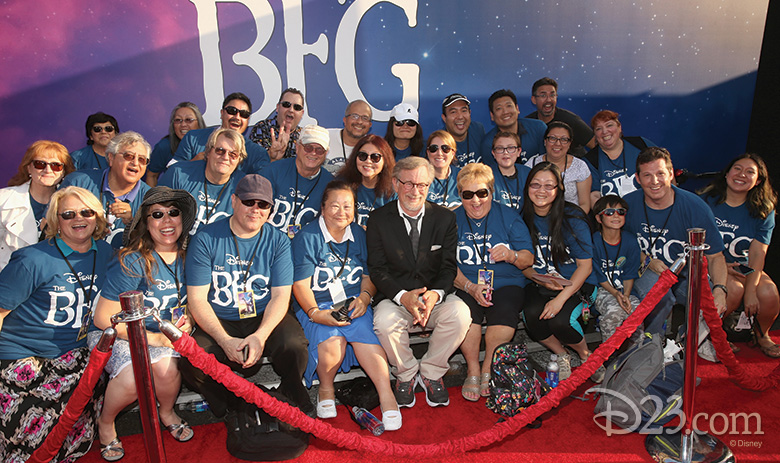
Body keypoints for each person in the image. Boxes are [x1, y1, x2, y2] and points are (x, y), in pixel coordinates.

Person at [181, 174, 312, 417]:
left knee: (294, 345)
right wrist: (223, 340)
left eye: (263, 204)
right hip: (219, 318)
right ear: (233, 201)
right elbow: (197, 299)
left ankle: (292, 387)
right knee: (193, 357)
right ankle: (230, 402)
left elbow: (281, 295)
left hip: (263, 313)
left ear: (271, 209)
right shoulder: (205, 239)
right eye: (248, 201)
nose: (255, 209)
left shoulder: (279, 240)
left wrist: (260, 337)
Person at [0, 186, 112, 462]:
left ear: (98, 217)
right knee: (32, 421)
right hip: (22, 354)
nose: (79, 219)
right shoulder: (32, 260)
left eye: (86, 212)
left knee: (82, 391)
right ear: (54, 221)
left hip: (76, 354)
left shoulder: (108, 254)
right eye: (68, 214)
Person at [91, 187, 197, 461]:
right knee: (134, 376)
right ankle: (106, 422)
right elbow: (104, 318)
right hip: (119, 334)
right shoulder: (132, 259)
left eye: (173, 213)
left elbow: (197, 300)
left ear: (182, 218)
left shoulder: (193, 256)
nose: (167, 221)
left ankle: (166, 411)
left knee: (166, 371)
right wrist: (155, 340)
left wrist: (190, 321)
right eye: (157, 215)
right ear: (146, 223)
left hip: (164, 334)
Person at [291, 181, 401, 429]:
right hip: (316, 304)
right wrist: (316, 313)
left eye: (347, 206)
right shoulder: (307, 237)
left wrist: (364, 297)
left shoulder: (360, 234)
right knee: (332, 340)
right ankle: (326, 389)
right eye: (335, 206)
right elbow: (300, 285)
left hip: (353, 301)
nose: (342, 212)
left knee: (366, 335)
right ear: (322, 208)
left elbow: (367, 276)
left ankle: (386, 394)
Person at [367, 156, 471, 408]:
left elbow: (448, 267)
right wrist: (403, 296)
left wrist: (435, 295)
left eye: (422, 185)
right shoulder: (378, 219)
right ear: (395, 183)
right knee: (383, 322)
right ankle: (406, 374)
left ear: (429, 186)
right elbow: (377, 270)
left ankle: (432, 372)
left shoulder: (445, 218)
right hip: (396, 297)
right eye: (409, 184)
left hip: (432, 297)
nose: (416, 191)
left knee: (460, 314)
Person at [624, 147, 728, 337]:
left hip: (685, 273)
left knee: (709, 301)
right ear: (637, 179)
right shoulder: (627, 204)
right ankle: (652, 346)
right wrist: (646, 260)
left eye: (660, 174)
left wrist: (720, 290)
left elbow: (715, 256)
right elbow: (617, 245)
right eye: (647, 175)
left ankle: (687, 340)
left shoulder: (695, 207)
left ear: (671, 174)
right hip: (648, 269)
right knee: (659, 297)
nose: (654, 181)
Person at [451, 164, 534, 401]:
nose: (475, 201)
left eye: (482, 193)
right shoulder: (452, 220)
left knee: (505, 309)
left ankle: (487, 365)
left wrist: (511, 255)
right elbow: (446, 264)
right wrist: (470, 286)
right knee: (468, 313)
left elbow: (528, 258)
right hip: (466, 282)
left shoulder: (509, 216)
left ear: (491, 192)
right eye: (468, 194)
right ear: (460, 195)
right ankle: (473, 369)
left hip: (506, 281)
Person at [521, 162, 601, 381]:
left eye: (549, 185)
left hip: (577, 283)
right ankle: (561, 353)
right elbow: (523, 265)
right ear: (527, 187)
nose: (541, 191)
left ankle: (586, 355)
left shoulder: (572, 217)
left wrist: (560, 299)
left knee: (560, 320)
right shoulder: (521, 218)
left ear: (559, 190)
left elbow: (585, 266)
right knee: (532, 316)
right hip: (541, 283)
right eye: (535, 184)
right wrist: (541, 279)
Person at [699, 153, 779, 357]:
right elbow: (691, 242)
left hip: (743, 265)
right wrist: (719, 267)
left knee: (768, 294)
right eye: (737, 168)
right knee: (732, 290)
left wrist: (751, 290)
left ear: (758, 181)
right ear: (727, 174)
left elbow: (758, 253)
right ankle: (713, 337)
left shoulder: (763, 209)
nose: (742, 174)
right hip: (708, 263)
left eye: (750, 172)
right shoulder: (705, 201)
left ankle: (762, 335)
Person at [61, 131, 152, 248]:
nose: (135, 163)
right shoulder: (78, 183)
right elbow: (50, 226)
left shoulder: (151, 199)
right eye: (129, 156)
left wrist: (132, 222)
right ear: (111, 158)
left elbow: (153, 247)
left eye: (142, 160)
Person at [0, 140, 74, 270]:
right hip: (9, 277)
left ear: (63, 172)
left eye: (56, 165)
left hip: (53, 280)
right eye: (40, 164)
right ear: (28, 167)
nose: (48, 170)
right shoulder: (3, 199)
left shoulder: (73, 204)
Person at [159, 128, 247, 235]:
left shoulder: (244, 187)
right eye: (220, 151)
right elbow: (154, 215)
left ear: (239, 160)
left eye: (233, 154)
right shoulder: (178, 174)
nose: (225, 157)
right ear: (208, 152)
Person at [260, 125, 334, 238]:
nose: (313, 153)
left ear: (326, 153)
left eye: (319, 150)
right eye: (308, 147)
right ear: (297, 147)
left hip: (304, 248)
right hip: (267, 241)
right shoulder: (273, 171)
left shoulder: (330, 185)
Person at [169, 92, 269, 174]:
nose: (237, 117)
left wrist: (273, 159)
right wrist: (193, 163)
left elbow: (261, 185)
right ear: (222, 113)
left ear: (248, 119)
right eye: (232, 111)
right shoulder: (193, 138)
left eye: (244, 114)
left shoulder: (257, 153)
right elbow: (171, 170)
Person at [591, 195, 642, 344]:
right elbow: (598, 276)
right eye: (609, 212)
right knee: (615, 312)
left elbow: (629, 273)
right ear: (599, 218)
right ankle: (609, 354)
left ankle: (637, 354)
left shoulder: (630, 241)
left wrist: (625, 295)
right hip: (602, 290)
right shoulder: (593, 241)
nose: (616, 215)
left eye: (620, 211)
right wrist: (616, 294)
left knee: (637, 312)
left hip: (625, 290)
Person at [584, 110, 656, 207]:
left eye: (609, 125)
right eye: (598, 129)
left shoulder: (640, 144)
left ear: (619, 127)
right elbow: (594, 195)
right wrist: (609, 215)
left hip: (648, 209)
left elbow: (664, 171)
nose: (604, 132)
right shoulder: (590, 161)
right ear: (595, 135)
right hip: (614, 217)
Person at [526, 122, 592, 213]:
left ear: (569, 144)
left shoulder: (580, 167)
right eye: (552, 138)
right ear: (545, 141)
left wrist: (574, 223)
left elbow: (584, 204)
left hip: (571, 220)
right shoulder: (532, 164)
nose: (557, 143)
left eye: (564, 139)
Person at [336, 134, 396, 227]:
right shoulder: (340, 184)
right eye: (362, 156)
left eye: (375, 157)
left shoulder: (393, 190)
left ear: (385, 161)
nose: (368, 161)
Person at [526, 77, 595, 155]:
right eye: (543, 96)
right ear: (534, 99)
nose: (548, 100)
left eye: (552, 95)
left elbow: (596, 145)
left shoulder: (571, 120)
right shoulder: (528, 124)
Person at [480, 89, 547, 166]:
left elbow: (548, 161)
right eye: (499, 108)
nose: (505, 112)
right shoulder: (488, 143)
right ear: (492, 116)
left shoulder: (538, 128)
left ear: (517, 109)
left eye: (509, 106)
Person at [147, 102, 206, 186]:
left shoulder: (212, 144)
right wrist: (153, 198)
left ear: (199, 123)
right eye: (178, 120)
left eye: (188, 120)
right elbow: (151, 175)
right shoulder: (165, 146)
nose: (183, 124)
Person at [249, 88, 306, 161]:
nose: (291, 110)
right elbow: (254, 164)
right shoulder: (262, 128)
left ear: (302, 113)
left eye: (297, 107)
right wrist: (271, 156)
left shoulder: (304, 137)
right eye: (286, 105)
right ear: (278, 107)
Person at [326, 100, 373, 174]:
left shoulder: (373, 147)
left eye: (365, 118)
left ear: (370, 124)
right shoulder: (325, 137)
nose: (359, 122)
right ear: (345, 120)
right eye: (355, 116)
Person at [490, 131, 531, 213]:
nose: (505, 152)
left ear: (519, 151)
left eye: (510, 148)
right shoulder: (487, 175)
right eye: (500, 148)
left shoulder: (528, 173)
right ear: (493, 153)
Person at [441, 93, 485, 166]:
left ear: (470, 113)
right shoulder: (440, 142)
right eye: (453, 112)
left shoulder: (478, 130)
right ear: (444, 118)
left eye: (464, 110)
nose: (460, 116)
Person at [426, 130, 461, 209]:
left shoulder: (464, 176)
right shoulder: (418, 179)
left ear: (453, 153)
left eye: (445, 148)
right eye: (434, 148)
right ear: (428, 152)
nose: (439, 153)